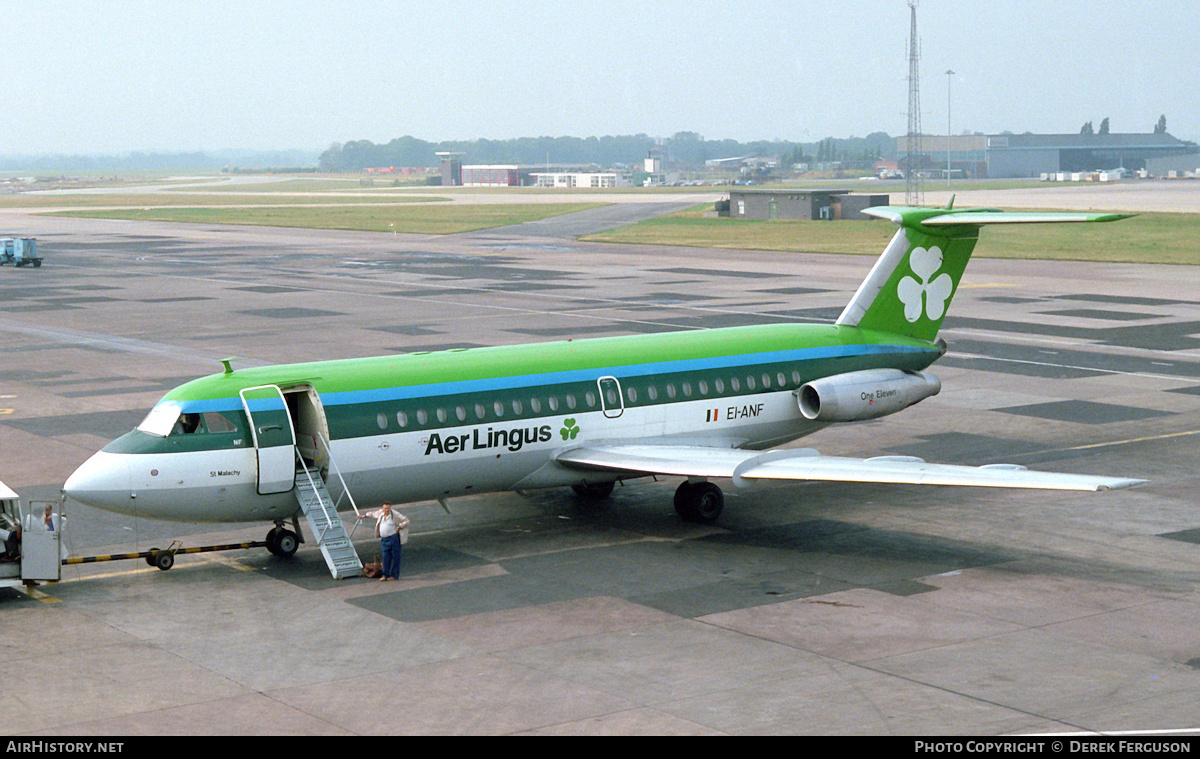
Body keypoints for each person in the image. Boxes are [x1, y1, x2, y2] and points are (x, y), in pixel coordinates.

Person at [365, 503, 408, 582]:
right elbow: (373, 514)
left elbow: (406, 521)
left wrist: (399, 527)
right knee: (385, 557)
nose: (387, 510)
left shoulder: (394, 514)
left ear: (390, 508)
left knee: (395, 557)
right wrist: (364, 516)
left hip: (393, 538)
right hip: (384, 539)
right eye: (385, 508)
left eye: (388, 508)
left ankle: (394, 575)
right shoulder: (381, 513)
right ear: (383, 508)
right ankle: (385, 575)